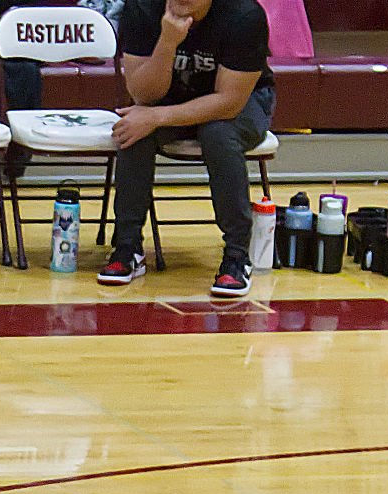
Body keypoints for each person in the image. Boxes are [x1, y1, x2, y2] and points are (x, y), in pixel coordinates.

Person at [98, 0, 272, 298]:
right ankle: (127, 246)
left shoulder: (244, 15)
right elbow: (142, 94)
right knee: (134, 128)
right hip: (172, 94)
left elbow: (228, 103)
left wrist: (157, 117)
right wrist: (167, 42)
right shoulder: (142, 9)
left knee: (217, 133)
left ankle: (237, 255)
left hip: (242, 102)